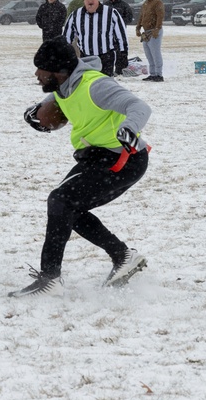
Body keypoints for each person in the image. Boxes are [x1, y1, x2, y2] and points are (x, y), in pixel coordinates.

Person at [10, 36, 151, 297]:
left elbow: (138, 106)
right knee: (66, 209)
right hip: (96, 156)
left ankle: (50, 278)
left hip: (124, 158)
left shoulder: (97, 85)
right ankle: (123, 255)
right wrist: (36, 112)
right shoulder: (64, 87)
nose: (36, 74)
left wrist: (130, 128)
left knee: (61, 202)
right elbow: (57, 104)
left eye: (41, 69)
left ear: (58, 71)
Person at [62, 0, 128, 77]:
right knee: (88, 85)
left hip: (106, 57)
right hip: (86, 57)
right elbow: (66, 37)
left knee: (105, 86)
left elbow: (121, 35)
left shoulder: (111, 13)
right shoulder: (75, 15)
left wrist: (123, 54)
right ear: (83, 0)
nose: (90, 1)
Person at [135, 0, 165, 82]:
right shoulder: (145, 4)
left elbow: (160, 16)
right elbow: (141, 16)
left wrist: (157, 28)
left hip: (154, 31)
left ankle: (159, 74)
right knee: (149, 54)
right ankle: (152, 74)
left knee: (155, 53)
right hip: (146, 32)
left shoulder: (158, 3)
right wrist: (138, 27)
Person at [104, 0, 133, 74]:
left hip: (120, 33)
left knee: (121, 50)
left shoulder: (123, 5)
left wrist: (120, 23)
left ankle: (121, 69)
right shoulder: (105, 5)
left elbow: (129, 17)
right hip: (108, 33)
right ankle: (108, 69)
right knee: (108, 52)